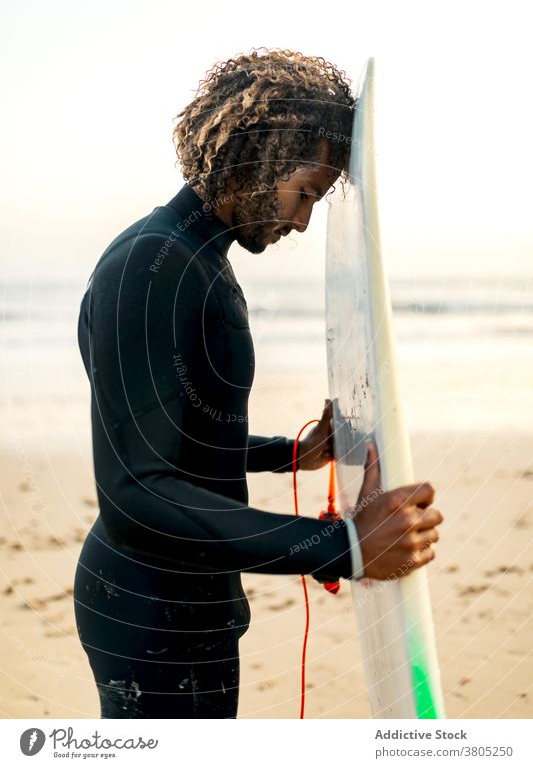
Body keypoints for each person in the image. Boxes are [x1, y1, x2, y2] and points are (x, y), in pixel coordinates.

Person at [73, 48, 444, 719]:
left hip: (184, 605)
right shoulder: (154, 266)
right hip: (152, 619)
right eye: (303, 190)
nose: (303, 221)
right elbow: (136, 489)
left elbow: (172, 439)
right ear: (258, 154)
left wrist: (287, 453)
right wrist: (345, 547)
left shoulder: (189, 257)